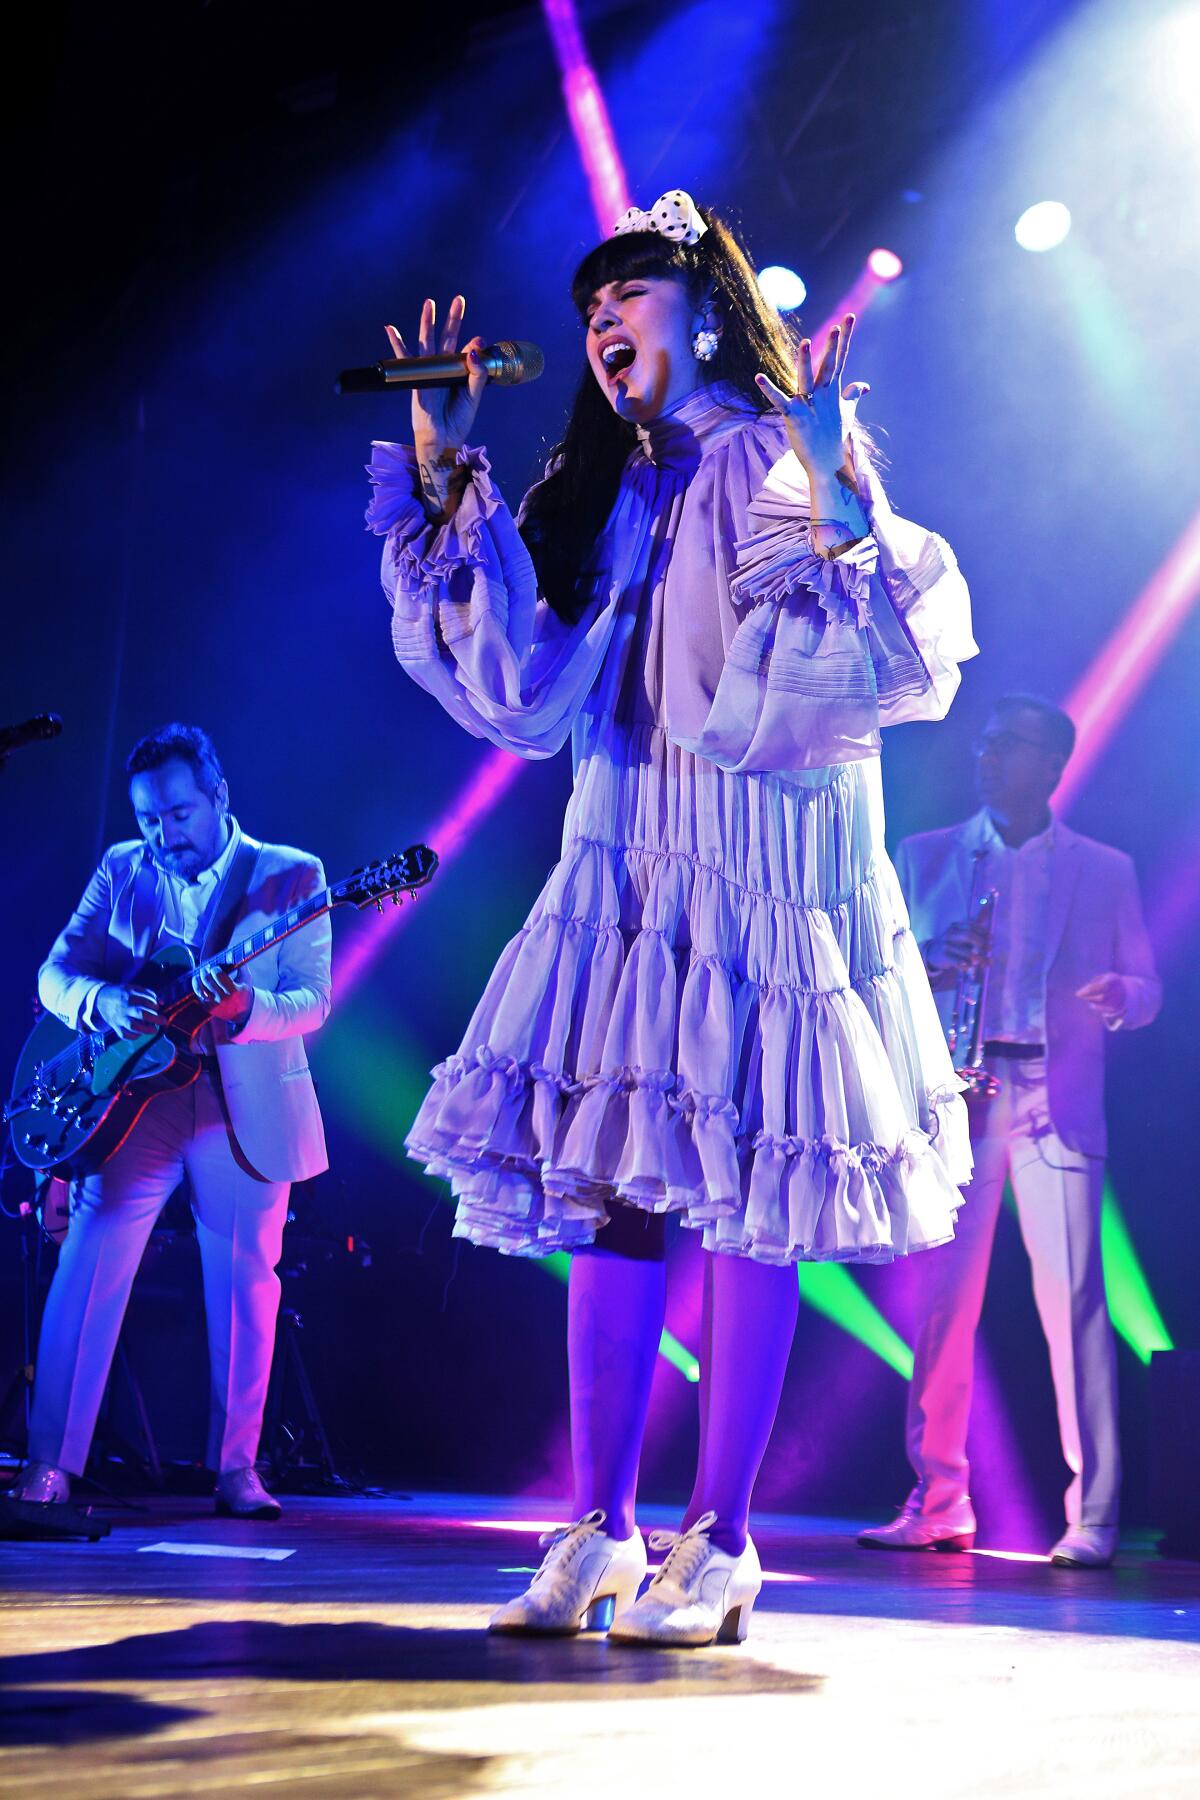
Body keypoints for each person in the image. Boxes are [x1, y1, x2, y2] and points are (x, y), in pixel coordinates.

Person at [366, 189, 976, 1645]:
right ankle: (602, 1528)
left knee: (754, 1196)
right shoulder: (603, 486)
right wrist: (448, 469)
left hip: (762, 867)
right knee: (618, 1194)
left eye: (628, 294)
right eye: (590, 305)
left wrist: (831, 473)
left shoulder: (773, 453)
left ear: (703, 313)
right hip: (627, 859)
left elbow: (872, 652)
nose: (600, 320)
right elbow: (513, 689)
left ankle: (728, 1540)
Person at [858, 695, 1161, 1567]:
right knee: (943, 1307)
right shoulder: (925, 857)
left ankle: (1093, 1514)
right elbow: (872, 973)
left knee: (1076, 1308)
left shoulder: (1105, 869)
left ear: (1053, 764)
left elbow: (1148, 984)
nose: (986, 757)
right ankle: (938, 1499)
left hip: (1051, 1094)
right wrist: (924, 961)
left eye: (1007, 745)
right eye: (985, 743)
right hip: (962, 1095)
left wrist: (1123, 999)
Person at [9, 723, 332, 1519]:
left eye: (179, 814)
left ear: (219, 796)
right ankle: (49, 1466)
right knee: (86, 1270)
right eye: (150, 819)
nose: (164, 835)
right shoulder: (122, 868)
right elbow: (54, 975)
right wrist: (103, 1001)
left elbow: (314, 1000)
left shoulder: (293, 874)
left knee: (243, 1283)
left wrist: (244, 1005)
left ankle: (236, 1472)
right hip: (134, 1104)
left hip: (241, 1100)